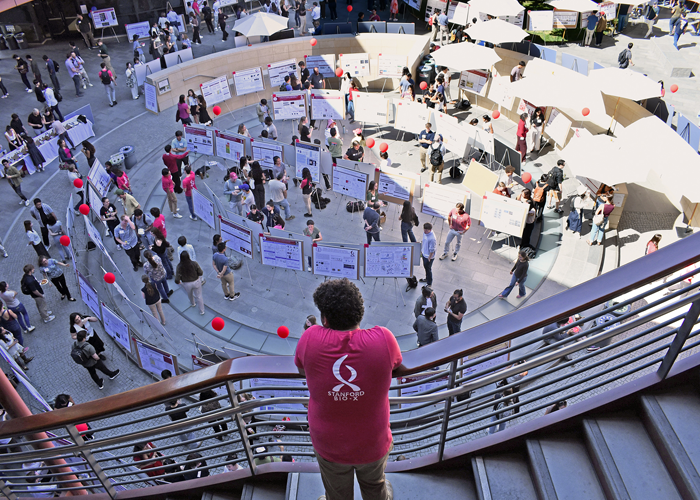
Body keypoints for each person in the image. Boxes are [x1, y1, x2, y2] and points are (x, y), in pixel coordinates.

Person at [294, 278, 401, 500]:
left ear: (324, 318)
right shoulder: (384, 338)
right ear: (360, 313)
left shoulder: (310, 338)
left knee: (337, 494)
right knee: (375, 485)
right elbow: (396, 364)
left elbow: (302, 370)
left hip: (329, 443)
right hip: (373, 440)